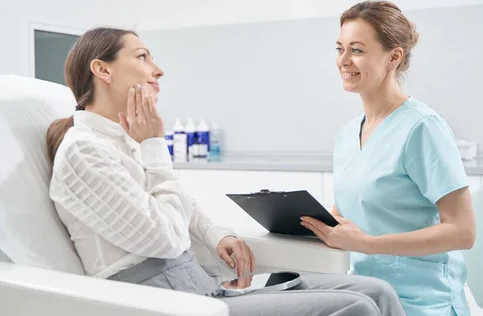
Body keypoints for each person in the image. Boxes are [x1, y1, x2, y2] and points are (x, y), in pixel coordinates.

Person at [46, 27, 406, 316]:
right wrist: (155, 146)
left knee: (377, 291)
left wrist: (216, 234)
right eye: (142, 57)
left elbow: (175, 204)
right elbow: (166, 238)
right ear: (102, 69)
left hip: (196, 283)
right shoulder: (83, 150)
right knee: (355, 307)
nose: (158, 70)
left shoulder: (123, 141)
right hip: (160, 301)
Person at [300, 0, 476, 316]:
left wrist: (368, 243)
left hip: (420, 302)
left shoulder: (422, 128)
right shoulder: (348, 134)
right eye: (339, 48)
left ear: (393, 57)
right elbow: (347, 220)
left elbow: (463, 231)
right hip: (363, 295)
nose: (343, 60)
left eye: (356, 50)